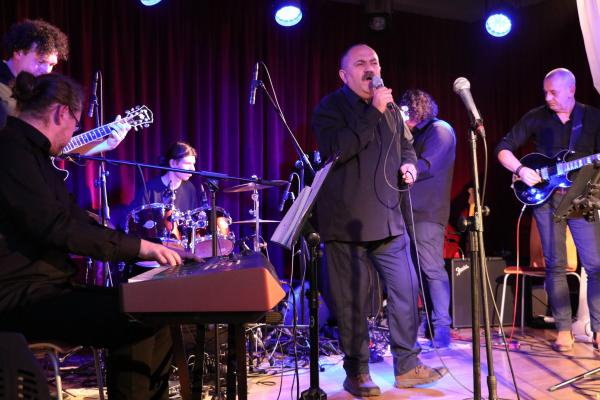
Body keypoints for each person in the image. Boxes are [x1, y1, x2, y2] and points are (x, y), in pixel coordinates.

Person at [0, 71, 191, 399]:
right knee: (134, 316)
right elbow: (58, 228)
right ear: (62, 113)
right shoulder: (12, 152)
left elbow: (75, 219)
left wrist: (155, 245)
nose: (74, 134)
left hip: (45, 289)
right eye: (76, 124)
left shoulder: (35, 156)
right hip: (20, 296)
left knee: (155, 309)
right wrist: (140, 249)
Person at [312, 43, 447, 396]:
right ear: (344, 75)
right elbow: (337, 150)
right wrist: (373, 111)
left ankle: (408, 365)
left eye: (374, 61)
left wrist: (410, 165)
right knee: (352, 302)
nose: (370, 67)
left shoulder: (390, 109)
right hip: (346, 224)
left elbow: (406, 147)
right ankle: (357, 372)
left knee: (406, 289)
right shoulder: (331, 107)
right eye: (361, 63)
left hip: (389, 219)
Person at [496, 68, 600, 352]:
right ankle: (563, 329)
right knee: (555, 264)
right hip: (547, 201)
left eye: (553, 92)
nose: (548, 98)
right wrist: (520, 169)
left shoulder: (592, 117)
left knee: (595, 265)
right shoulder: (537, 116)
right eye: (545, 92)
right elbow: (503, 148)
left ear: (571, 90)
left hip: (583, 198)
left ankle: (599, 329)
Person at [1, 18, 126, 153]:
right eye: (41, 61)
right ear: (18, 52)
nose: (46, 71)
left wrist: (107, 144)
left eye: (51, 64)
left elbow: (53, 149)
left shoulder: (40, 92)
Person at [399, 89, 456, 348]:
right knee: (415, 271)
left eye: (405, 111)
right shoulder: (412, 135)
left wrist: (406, 167)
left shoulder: (440, 130)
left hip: (428, 212)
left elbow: (427, 164)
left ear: (417, 110)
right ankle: (428, 323)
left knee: (431, 269)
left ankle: (442, 326)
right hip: (407, 212)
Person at [130, 141, 201, 212]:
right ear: (172, 163)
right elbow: (133, 216)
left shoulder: (190, 188)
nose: (193, 169)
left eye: (193, 164)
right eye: (187, 163)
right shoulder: (148, 189)